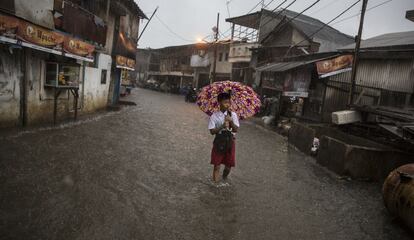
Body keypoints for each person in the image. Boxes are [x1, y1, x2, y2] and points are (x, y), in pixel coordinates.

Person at [208, 92, 240, 183]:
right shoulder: (214, 116)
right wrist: (222, 126)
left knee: (228, 166)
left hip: (230, 141)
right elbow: (212, 131)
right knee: (216, 165)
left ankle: (224, 179)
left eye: (228, 102)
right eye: (225, 102)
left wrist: (231, 122)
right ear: (219, 102)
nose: (227, 104)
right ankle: (216, 185)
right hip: (219, 141)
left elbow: (236, 130)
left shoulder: (233, 115)